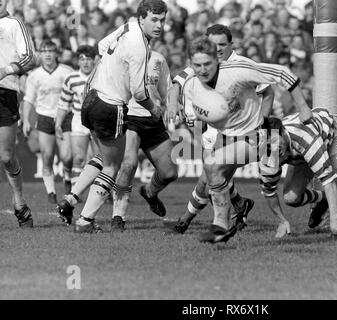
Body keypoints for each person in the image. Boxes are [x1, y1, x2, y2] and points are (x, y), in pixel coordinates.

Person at [180, 36, 316, 244]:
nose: (203, 69)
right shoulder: (191, 85)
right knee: (210, 175)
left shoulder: (237, 71)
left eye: (207, 63)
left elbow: (282, 73)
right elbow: (193, 111)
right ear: (190, 64)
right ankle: (226, 222)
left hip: (256, 136)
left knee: (212, 164)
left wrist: (303, 107)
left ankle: (221, 225)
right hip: (225, 136)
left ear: (217, 60)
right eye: (197, 65)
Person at [165, 24, 276, 235]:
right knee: (212, 178)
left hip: (241, 134)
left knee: (208, 179)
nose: (216, 49)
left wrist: (262, 123)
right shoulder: (204, 63)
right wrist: (172, 104)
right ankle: (239, 206)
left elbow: (267, 92)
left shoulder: (243, 65)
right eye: (211, 45)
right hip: (211, 132)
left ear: (231, 45)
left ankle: (186, 223)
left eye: (221, 45)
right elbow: (177, 82)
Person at [71, 0, 166, 233]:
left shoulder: (127, 26)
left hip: (92, 98)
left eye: (163, 20)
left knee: (104, 157)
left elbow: (101, 46)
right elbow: (138, 92)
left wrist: (100, 73)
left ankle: (71, 199)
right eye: (154, 19)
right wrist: (154, 108)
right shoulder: (141, 46)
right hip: (110, 106)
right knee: (113, 165)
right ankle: (85, 220)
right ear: (142, 18)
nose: (160, 25)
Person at [97, 16, 177, 232]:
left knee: (169, 173)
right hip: (129, 117)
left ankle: (150, 192)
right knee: (128, 164)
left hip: (153, 120)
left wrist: (171, 105)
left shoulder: (158, 59)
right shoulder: (123, 55)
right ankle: (118, 217)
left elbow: (167, 88)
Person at [22, 40, 73, 204]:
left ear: (56, 53)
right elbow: (29, 99)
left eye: (51, 51)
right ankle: (51, 192)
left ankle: (66, 178)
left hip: (65, 117)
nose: (48, 54)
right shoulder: (34, 75)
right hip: (44, 117)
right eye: (44, 51)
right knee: (47, 156)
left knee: (67, 156)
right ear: (40, 54)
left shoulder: (67, 72)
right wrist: (25, 120)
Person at [0, 0, 36, 227]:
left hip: (5, 94)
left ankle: (20, 203)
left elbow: (30, 58)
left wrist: (5, 71)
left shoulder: (13, 24)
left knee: (6, 156)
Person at [54, 45, 100, 203]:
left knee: (99, 159)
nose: (85, 62)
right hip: (79, 121)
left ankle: (101, 192)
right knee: (79, 158)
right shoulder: (71, 79)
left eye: (88, 59)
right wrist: (58, 124)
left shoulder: (101, 77)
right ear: (77, 61)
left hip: (98, 122)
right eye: (82, 59)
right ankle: (76, 195)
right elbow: (63, 104)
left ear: (94, 60)